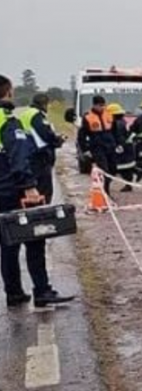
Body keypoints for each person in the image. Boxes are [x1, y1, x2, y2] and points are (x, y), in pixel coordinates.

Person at [0, 74, 74, 308]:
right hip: (13, 189)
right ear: (8, 91)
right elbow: (18, 157)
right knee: (34, 237)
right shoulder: (7, 121)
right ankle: (42, 291)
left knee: (7, 242)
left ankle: (13, 293)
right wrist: (29, 186)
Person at [18, 93, 65, 203]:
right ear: (44, 104)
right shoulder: (37, 115)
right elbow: (45, 134)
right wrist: (58, 140)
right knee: (44, 191)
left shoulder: (25, 113)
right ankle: (43, 214)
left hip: (28, 154)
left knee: (32, 191)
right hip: (39, 156)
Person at [78, 95, 115, 192]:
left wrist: (118, 144)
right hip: (97, 148)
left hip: (110, 146)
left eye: (103, 105)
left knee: (112, 170)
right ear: (94, 105)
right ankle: (105, 192)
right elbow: (81, 136)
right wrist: (85, 149)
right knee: (104, 170)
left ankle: (106, 187)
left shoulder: (109, 115)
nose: (102, 107)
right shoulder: (88, 117)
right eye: (100, 105)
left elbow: (115, 131)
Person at [107, 103, 136, 192]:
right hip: (128, 149)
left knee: (114, 168)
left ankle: (106, 185)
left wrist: (117, 146)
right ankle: (128, 184)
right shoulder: (124, 122)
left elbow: (119, 137)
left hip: (121, 149)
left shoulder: (117, 124)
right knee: (126, 169)